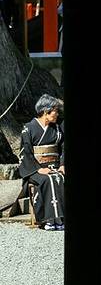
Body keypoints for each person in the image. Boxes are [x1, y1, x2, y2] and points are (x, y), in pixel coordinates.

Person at [18, 94, 65, 231]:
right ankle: (48, 219)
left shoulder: (57, 129)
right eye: (55, 111)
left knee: (60, 177)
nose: (57, 114)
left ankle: (60, 218)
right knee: (47, 179)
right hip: (35, 169)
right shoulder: (28, 128)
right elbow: (25, 152)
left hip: (55, 166)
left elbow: (63, 149)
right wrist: (38, 169)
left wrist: (62, 165)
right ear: (46, 111)